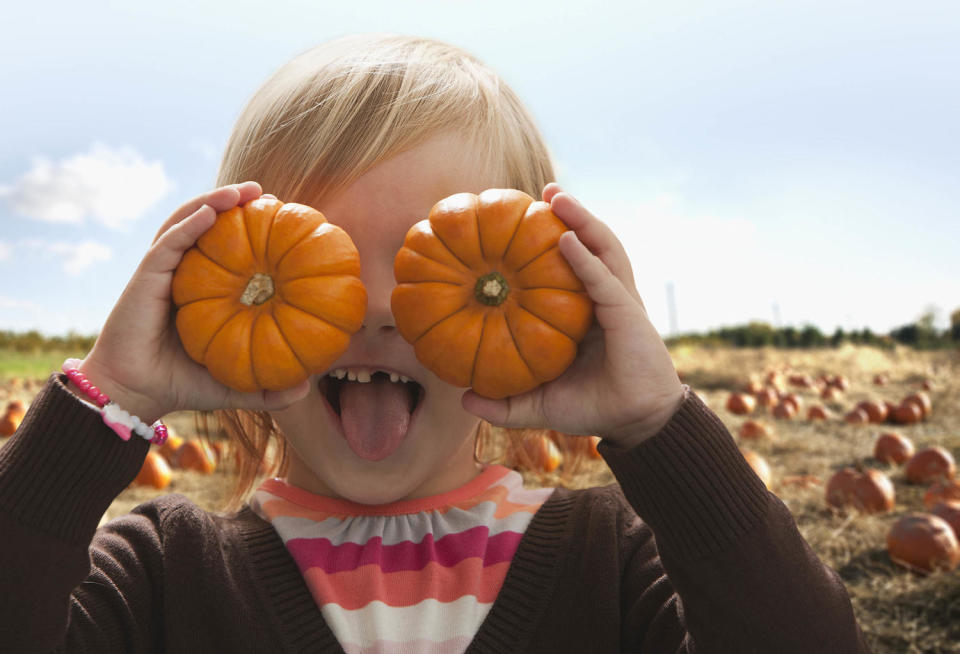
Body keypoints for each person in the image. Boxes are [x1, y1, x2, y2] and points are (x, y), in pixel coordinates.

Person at [0, 34, 869, 652]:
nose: (379, 307)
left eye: (436, 262)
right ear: (220, 287)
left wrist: (657, 423)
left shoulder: (613, 558)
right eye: (316, 262)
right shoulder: (164, 572)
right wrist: (105, 401)